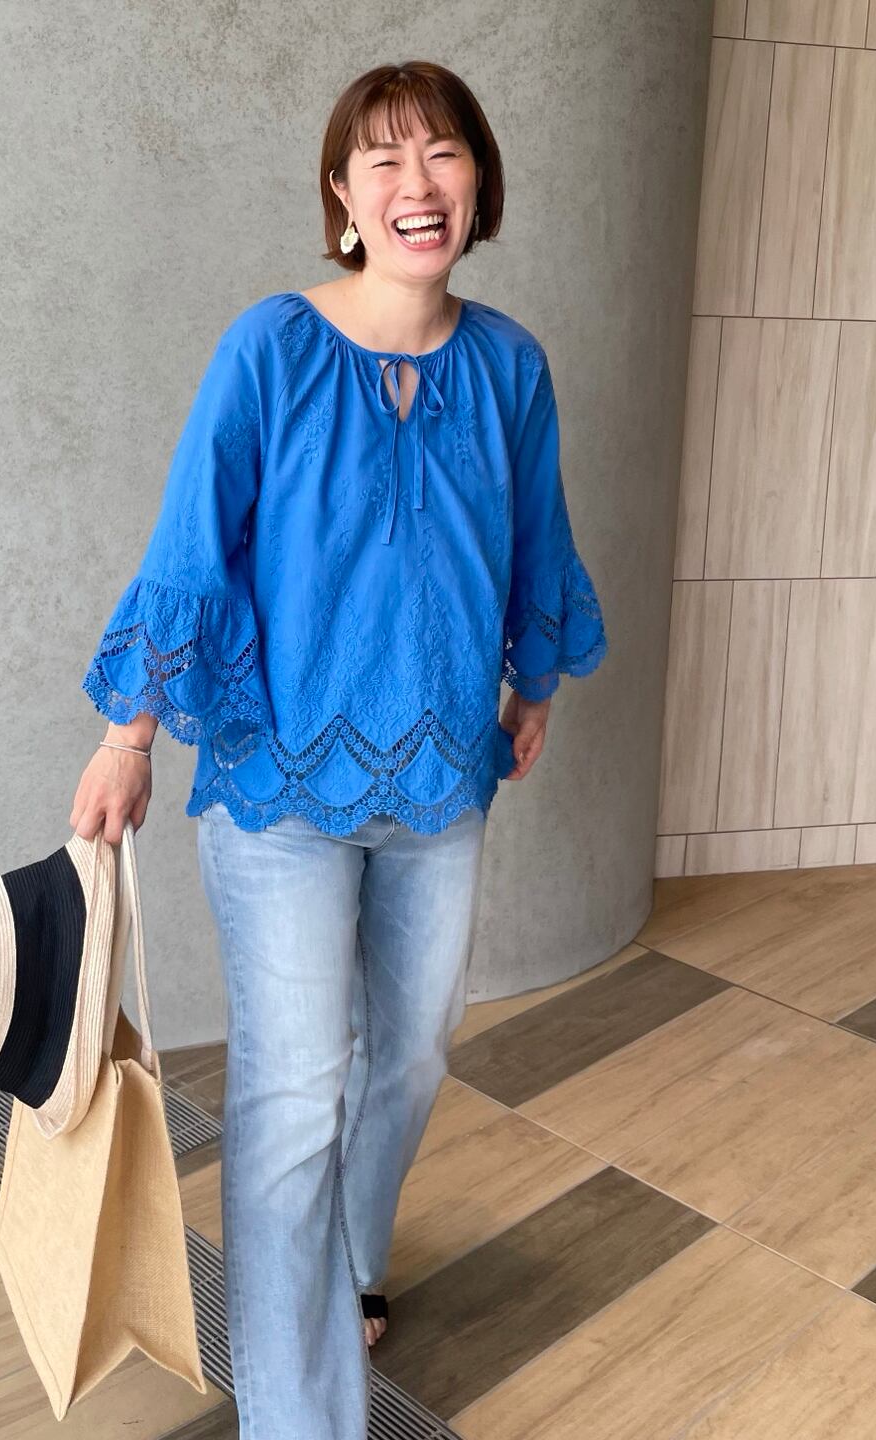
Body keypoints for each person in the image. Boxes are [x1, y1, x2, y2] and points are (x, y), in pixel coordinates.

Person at [69, 59, 607, 1440]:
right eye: (385, 160)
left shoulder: (511, 366)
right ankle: (302, 1417)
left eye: (443, 154)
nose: (418, 183)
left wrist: (535, 681)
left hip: (442, 778)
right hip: (279, 787)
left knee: (412, 1055)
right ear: (343, 197)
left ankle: (346, 1257)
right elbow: (191, 543)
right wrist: (130, 735)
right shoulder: (271, 349)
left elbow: (534, 537)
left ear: (478, 183)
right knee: (294, 1092)